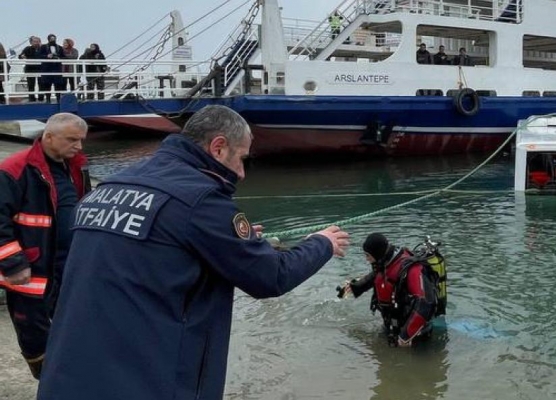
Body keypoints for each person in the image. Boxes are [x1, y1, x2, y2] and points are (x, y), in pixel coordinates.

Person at [36, 105, 350, 400]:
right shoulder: (201, 201)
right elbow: (271, 276)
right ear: (218, 148)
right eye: (242, 158)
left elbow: (158, 247)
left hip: (67, 376)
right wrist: (320, 242)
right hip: (143, 383)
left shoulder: (107, 190)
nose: (241, 173)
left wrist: (231, 240)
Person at [0, 113, 90, 379]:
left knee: (72, 325)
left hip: (68, 264)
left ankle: (69, 378)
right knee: (34, 333)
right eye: (72, 140)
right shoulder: (15, 170)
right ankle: (48, 381)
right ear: (48, 137)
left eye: (82, 140)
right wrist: (13, 263)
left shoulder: (75, 167)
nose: (79, 147)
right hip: (32, 269)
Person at [337, 233, 439, 347]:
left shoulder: (411, 268)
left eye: (368, 255)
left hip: (415, 335)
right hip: (393, 326)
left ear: (377, 253)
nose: (367, 260)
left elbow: (425, 304)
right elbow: (377, 276)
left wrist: (404, 337)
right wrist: (355, 286)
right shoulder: (385, 261)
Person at [38, 34, 65, 103]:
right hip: (47, 68)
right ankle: (48, 99)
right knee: (47, 84)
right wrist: (47, 56)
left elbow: (64, 57)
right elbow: (39, 56)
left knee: (58, 85)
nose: (53, 40)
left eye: (54, 38)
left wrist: (59, 58)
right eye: (51, 39)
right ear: (48, 39)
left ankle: (59, 99)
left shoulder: (60, 47)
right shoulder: (43, 47)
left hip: (57, 68)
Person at [18, 36, 43, 102]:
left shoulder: (43, 48)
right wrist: (22, 56)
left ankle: (41, 98)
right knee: (31, 85)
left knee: (41, 85)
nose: (36, 43)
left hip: (40, 69)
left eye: (37, 41)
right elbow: (20, 56)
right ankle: (32, 99)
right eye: (34, 41)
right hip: (30, 69)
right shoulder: (27, 48)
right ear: (31, 42)